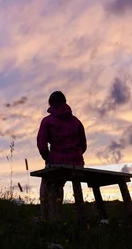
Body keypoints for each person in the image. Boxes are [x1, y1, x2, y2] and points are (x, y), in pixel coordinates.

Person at [36, 91, 87, 222]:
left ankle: (47, 218)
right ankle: (72, 217)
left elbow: (41, 144)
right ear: (65, 102)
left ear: (51, 104)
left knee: (47, 183)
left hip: (56, 162)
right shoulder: (76, 122)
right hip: (77, 164)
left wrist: (48, 157)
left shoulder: (47, 121)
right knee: (59, 184)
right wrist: (75, 156)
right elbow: (84, 145)